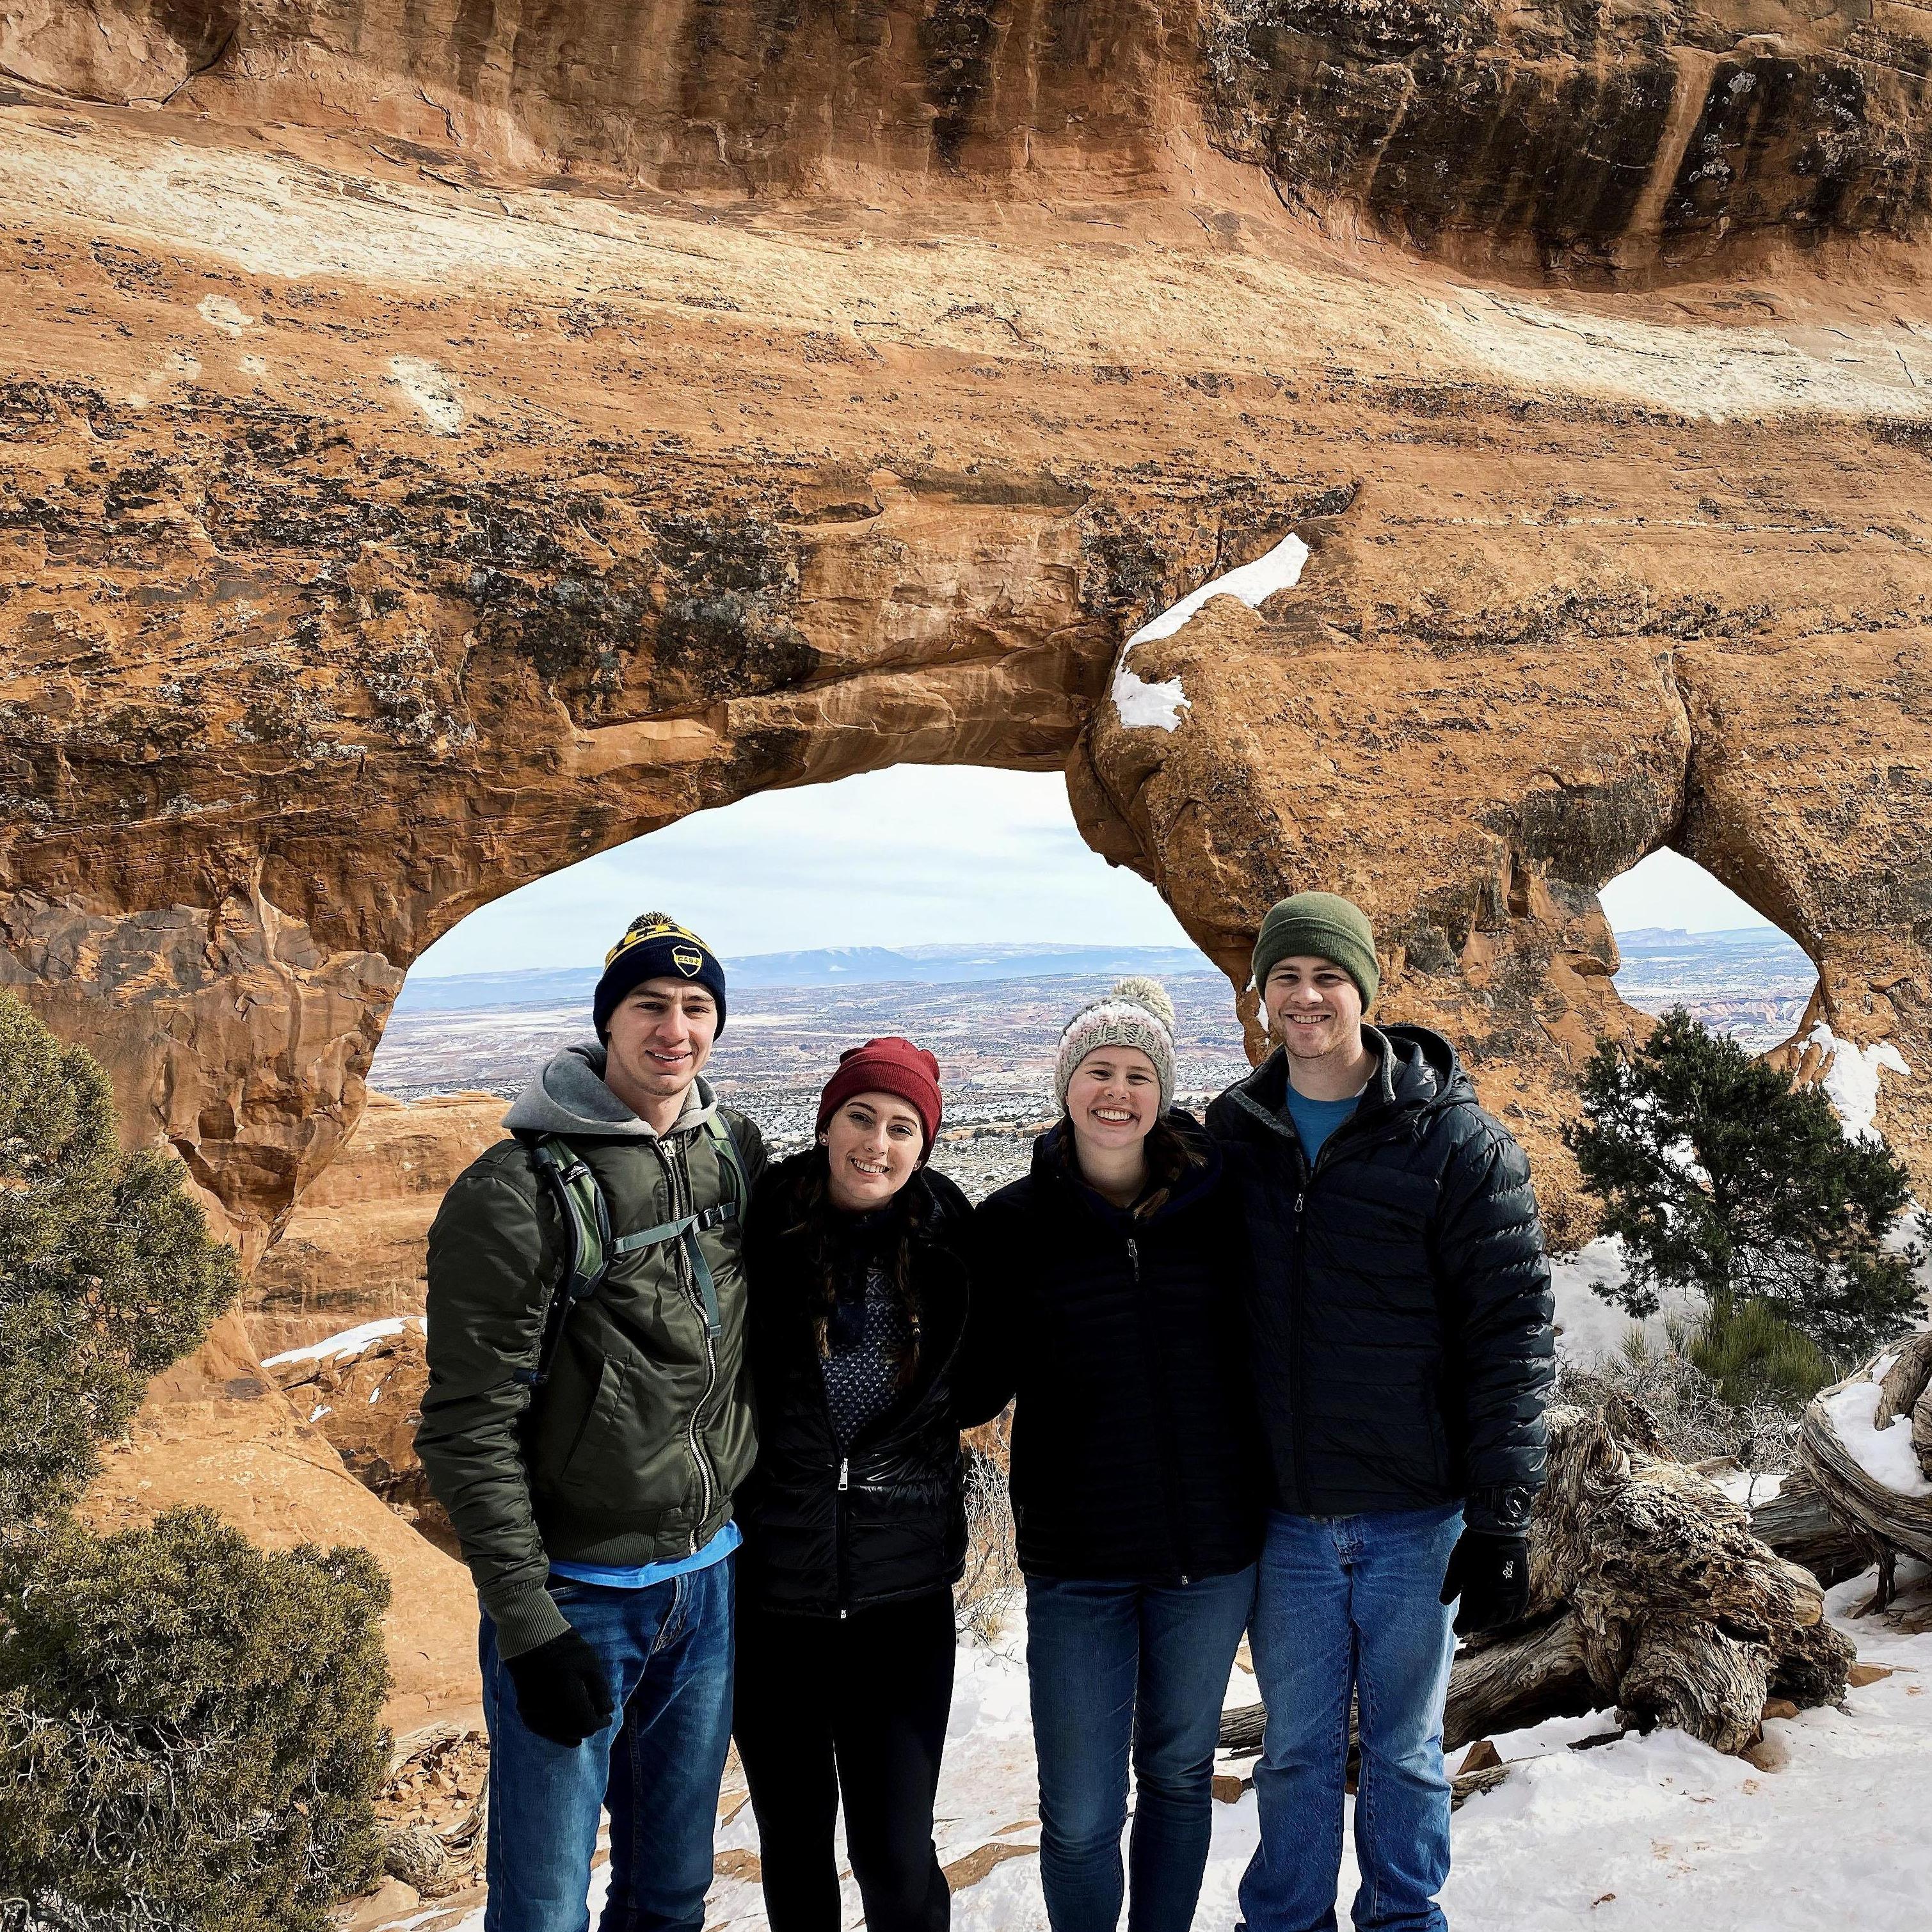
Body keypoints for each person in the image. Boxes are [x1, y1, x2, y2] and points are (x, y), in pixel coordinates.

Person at [1207, 891, 1555, 1932]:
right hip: (1285, 1515)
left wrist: (1503, 1513)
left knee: (1404, 1748)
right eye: (1287, 979)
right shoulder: (1238, 1134)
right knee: (1299, 1748)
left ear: (1364, 989)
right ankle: (1287, 1921)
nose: (1307, 998)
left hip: (1418, 1512)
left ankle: (1406, 1919)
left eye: (1327, 976)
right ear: (1262, 996)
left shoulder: (1458, 1143)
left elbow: (1513, 1335)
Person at [417, 913, 765, 1932]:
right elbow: (467, 1425)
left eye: (697, 1009)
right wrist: (528, 1623)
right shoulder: (513, 1191)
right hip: (579, 1596)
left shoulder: (730, 1153)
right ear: (608, 1020)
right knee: (542, 1905)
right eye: (650, 1006)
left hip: (705, 1581)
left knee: (670, 1894)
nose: (675, 1029)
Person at [962, 977, 1263, 1932]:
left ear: (1161, 1089)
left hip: (1207, 1553)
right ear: (1067, 1084)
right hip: (1079, 1560)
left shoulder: (1222, 1207)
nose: (1117, 1092)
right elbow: (973, 1385)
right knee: (1083, 1812)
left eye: (1139, 1074)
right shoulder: (1013, 1225)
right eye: (1099, 1070)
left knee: (1177, 1776)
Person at [732, 1037, 973, 1932]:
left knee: (897, 1861)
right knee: (796, 1861)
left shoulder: (952, 1248)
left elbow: (981, 1381)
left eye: (902, 1126)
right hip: (774, 1601)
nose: (877, 1142)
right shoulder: (761, 1235)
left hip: (901, 1603)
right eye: (861, 1117)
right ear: (827, 1123)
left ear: (925, 1143)